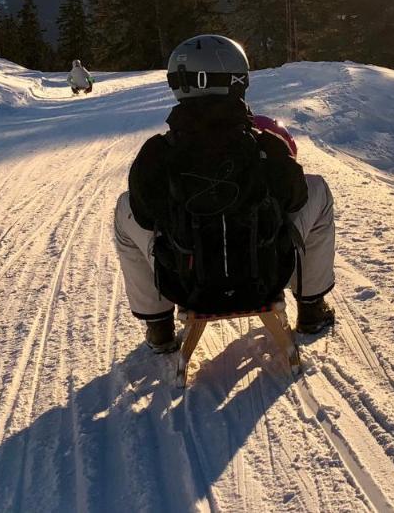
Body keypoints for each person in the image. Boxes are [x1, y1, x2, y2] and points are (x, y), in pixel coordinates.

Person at [113, 34, 336, 353]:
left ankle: (159, 327)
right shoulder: (265, 145)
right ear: (237, 81)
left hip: (188, 288)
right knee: (318, 189)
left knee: (126, 208)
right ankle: (312, 307)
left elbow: (146, 215)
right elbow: (296, 198)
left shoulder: (157, 154)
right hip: (265, 280)